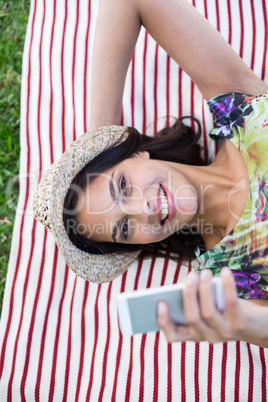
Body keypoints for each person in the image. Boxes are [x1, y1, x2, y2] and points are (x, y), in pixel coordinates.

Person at [33, 0, 268, 347]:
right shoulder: (230, 280)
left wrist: (101, 139)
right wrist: (246, 324)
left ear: (137, 153)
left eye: (123, 186)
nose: (145, 209)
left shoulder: (239, 112)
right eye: (125, 228)